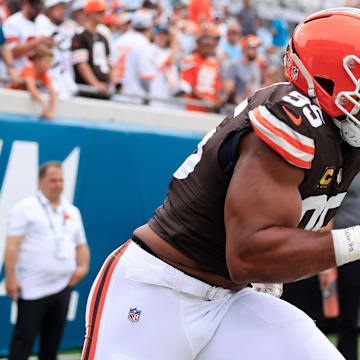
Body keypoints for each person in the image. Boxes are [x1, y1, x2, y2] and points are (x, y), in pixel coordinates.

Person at [81, 8, 360, 359]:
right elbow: (249, 253)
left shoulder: (346, 135)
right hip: (160, 289)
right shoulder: (292, 118)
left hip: (233, 300)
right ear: (330, 80)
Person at [5, 161, 90, 360]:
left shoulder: (72, 211)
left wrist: (83, 267)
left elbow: (81, 245)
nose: (58, 185)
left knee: (51, 344)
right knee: (23, 341)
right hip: (32, 287)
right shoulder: (25, 208)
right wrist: (10, 278)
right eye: (53, 180)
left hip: (63, 287)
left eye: (61, 180)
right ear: (41, 182)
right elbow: (12, 246)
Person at [319, 173, 360, 360]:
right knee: (348, 317)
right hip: (347, 250)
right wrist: (326, 265)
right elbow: (326, 216)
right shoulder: (345, 168)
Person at [36, 0, 78, 99]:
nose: (62, 11)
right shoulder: (40, 22)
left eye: (63, 7)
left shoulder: (64, 27)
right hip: (48, 81)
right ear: (49, 8)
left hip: (64, 80)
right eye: (58, 7)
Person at [112, 8, 155, 104]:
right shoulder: (144, 45)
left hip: (116, 96)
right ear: (150, 26)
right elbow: (146, 77)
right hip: (134, 98)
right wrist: (147, 98)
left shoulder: (119, 41)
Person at [71, 0, 113, 95]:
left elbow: (109, 63)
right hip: (87, 89)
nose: (103, 15)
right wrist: (95, 84)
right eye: (99, 12)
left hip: (104, 88)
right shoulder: (80, 35)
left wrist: (113, 83)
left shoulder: (103, 37)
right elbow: (81, 63)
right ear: (90, 14)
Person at [2, 0, 55, 74]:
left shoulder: (44, 20)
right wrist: (37, 41)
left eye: (40, 9)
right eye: (36, 8)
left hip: (41, 74)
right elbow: (11, 51)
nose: (38, 11)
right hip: (20, 72)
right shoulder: (13, 22)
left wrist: (49, 43)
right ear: (26, 3)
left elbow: (53, 46)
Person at [9, 46, 57, 120]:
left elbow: (53, 93)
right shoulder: (29, 69)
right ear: (37, 61)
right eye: (47, 62)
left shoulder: (44, 75)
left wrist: (52, 112)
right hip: (10, 100)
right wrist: (44, 106)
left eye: (50, 62)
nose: (49, 65)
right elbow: (32, 88)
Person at [180, 33, 222, 112]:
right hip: (193, 106)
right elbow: (188, 85)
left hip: (208, 109)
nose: (208, 49)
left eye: (210, 46)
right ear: (199, 45)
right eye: (205, 45)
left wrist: (216, 102)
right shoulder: (189, 60)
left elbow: (217, 87)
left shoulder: (214, 64)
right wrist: (205, 100)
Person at [223, 34, 261, 104]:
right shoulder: (234, 64)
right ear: (244, 48)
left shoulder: (256, 66)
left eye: (256, 48)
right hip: (235, 108)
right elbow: (228, 88)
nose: (255, 51)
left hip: (249, 107)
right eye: (252, 48)